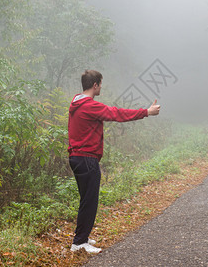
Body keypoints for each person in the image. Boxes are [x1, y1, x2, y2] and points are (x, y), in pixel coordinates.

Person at [68, 70, 161, 253]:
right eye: (100, 84)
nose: (101, 87)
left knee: (86, 200)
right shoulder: (89, 105)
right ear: (95, 85)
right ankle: (79, 243)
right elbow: (116, 114)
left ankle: (82, 238)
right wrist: (146, 112)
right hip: (86, 158)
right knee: (90, 201)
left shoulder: (77, 103)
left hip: (77, 157)